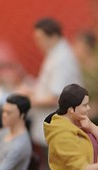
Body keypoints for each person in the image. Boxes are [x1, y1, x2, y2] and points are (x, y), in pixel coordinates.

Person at [24, 18, 82, 146]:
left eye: (40, 39)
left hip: (57, 124)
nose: (38, 43)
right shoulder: (56, 54)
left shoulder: (61, 60)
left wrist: (28, 101)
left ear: (53, 36)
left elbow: (55, 98)